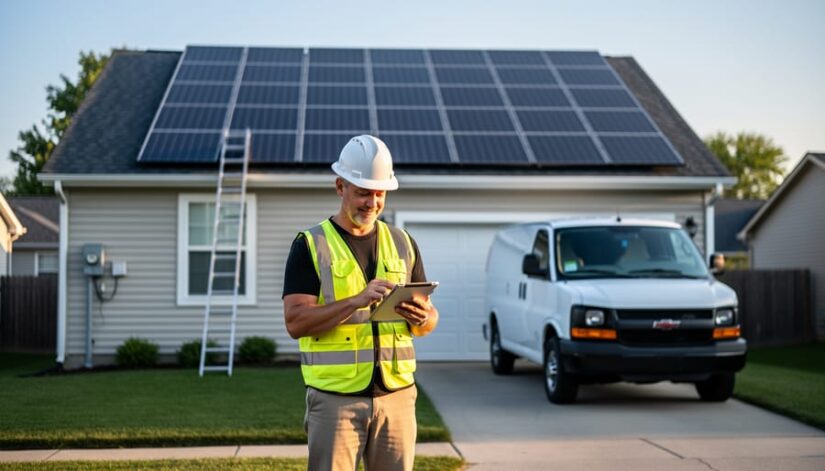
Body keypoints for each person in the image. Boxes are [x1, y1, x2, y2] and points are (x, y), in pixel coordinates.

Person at [282, 135, 439, 471]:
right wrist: (357, 300)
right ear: (340, 187)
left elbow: (427, 324)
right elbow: (295, 322)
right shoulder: (311, 245)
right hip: (335, 401)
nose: (372, 202)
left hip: (397, 397)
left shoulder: (403, 242)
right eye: (363, 192)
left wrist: (424, 317)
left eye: (379, 193)